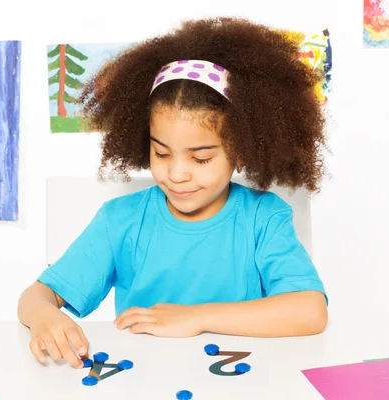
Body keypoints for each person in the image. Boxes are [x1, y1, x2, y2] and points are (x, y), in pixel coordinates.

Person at [18, 17, 329, 369]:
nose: (177, 174)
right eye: (161, 153)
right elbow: (37, 295)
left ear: (240, 152)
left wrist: (196, 318)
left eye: (201, 157)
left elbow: (311, 311)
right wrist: (44, 316)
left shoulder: (263, 218)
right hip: (144, 379)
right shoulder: (120, 220)